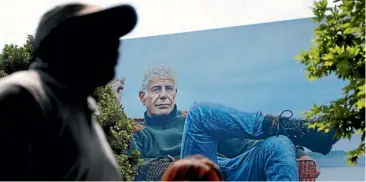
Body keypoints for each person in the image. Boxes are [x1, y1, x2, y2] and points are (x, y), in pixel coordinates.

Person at [113, 65, 338, 181]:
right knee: (200, 111)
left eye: (168, 88)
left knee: (278, 144)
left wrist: (298, 152)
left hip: (224, 173)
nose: (163, 95)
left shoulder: (193, 124)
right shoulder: (137, 133)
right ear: (143, 97)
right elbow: (131, 169)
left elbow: (243, 145)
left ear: (175, 93)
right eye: (156, 89)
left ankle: (295, 131)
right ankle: (294, 127)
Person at [0, 3, 137, 180]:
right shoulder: (22, 96)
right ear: (61, 42)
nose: (116, 46)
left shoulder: (81, 109)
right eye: (99, 34)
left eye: (115, 37)